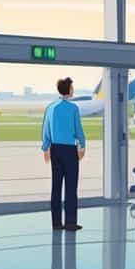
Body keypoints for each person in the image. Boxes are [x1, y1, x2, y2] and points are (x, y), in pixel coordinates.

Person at [42, 77, 86, 232]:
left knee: (56, 186)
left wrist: (45, 148)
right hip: (69, 150)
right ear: (69, 90)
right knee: (71, 187)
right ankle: (70, 223)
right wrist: (82, 144)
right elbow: (78, 129)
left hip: (55, 149)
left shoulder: (51, 108)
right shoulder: (73, 108)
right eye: (72, 88)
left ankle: (56, 223)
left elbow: (46, 130)